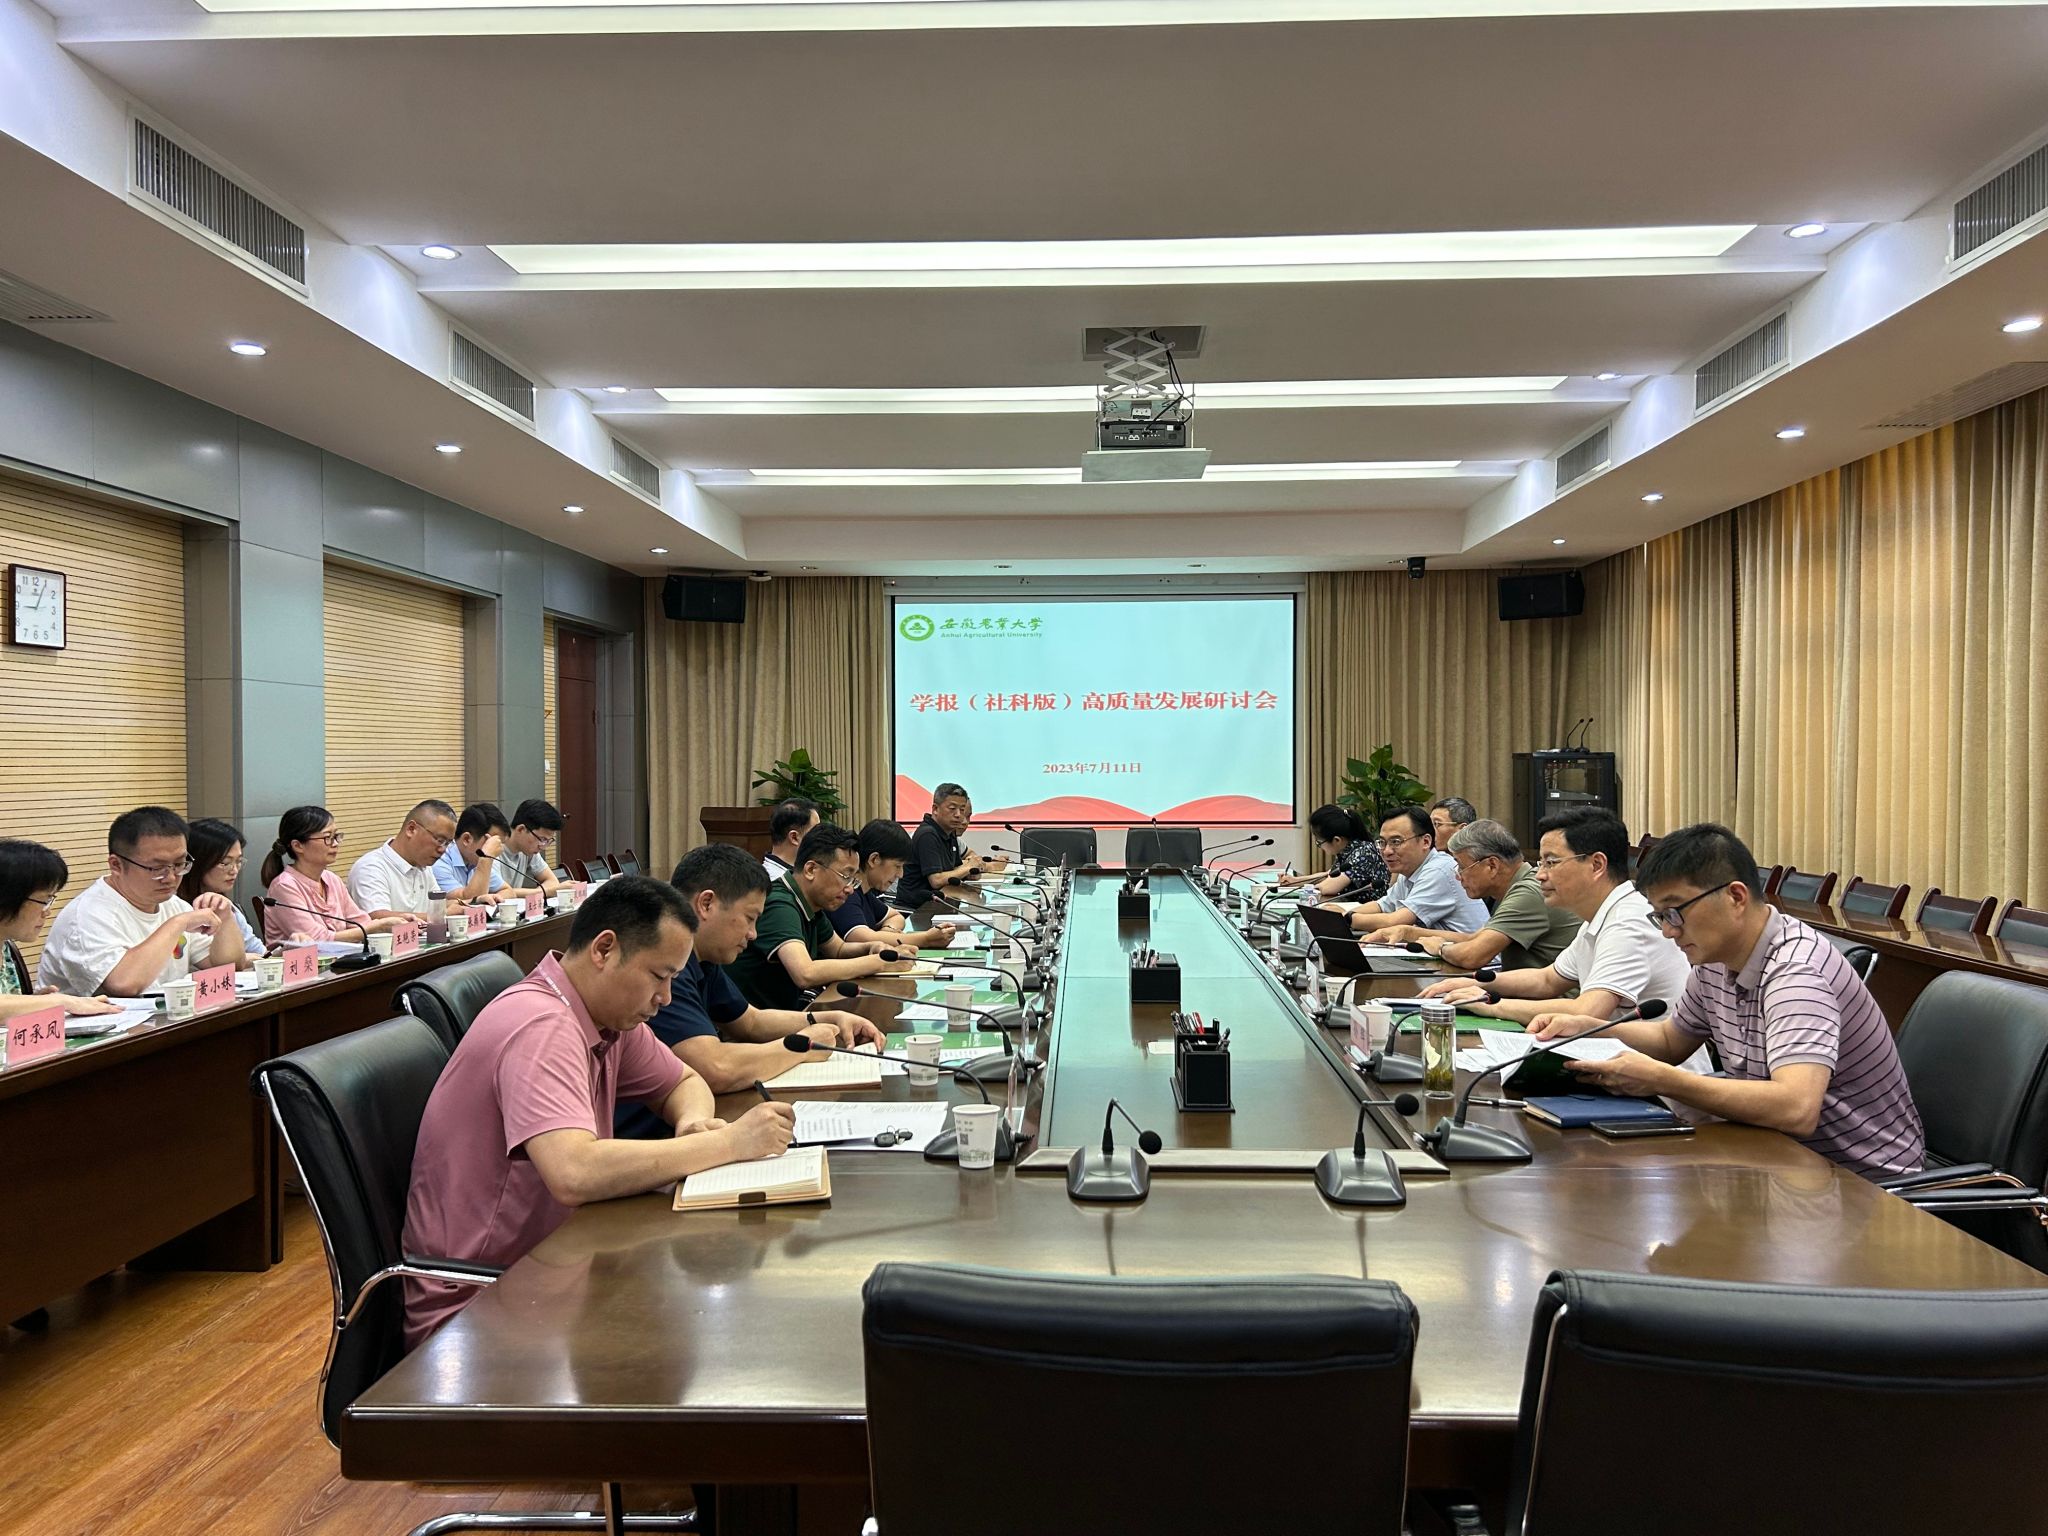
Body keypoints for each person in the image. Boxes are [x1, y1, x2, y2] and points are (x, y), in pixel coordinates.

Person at [400, 876, 797, 1347]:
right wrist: (725, 1143)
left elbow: (684, 1081)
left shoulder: (604, 1017)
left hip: (558, 1261)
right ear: (604, 950)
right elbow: (575, 1172)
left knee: (704, 1319)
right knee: (713, 1335)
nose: (666, 998)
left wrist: (692, 1122)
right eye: (659, 976)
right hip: (478, 1306)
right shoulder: (543, 1027)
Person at [1532, 823, 1925, 1180]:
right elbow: (1671, 1041)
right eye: (1660, 917)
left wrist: (1664, 1080)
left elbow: (1796, 1108)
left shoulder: (1796, 973)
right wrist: (1594, 1029)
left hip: (1860, 1182)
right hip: (1775, 1157)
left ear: (1736, 897)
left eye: (1674, 913)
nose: (1668, 932)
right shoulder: (1714, 960)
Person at [617, 846, 884, 1133]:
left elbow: (750, 1021)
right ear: (706, 904)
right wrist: (801, 1046)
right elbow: (715, 1067)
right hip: (645, 1139)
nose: (753, 934)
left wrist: (827, 1018)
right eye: (749, 918)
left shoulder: (704, 959)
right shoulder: (666, 969)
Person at [1418, 807, 1689, 1026]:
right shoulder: (1601, 914)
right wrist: (1473, 983)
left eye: (1551, 862)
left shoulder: (1628, 921)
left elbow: (1587, 1012)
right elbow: (1548, 980)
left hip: (1649, 1074)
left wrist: (1490, 1003)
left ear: (1597, 865)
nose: (1540, 874)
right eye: (1541, 863)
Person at [39, 806, 248, 996]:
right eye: (157, 868)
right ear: (116, 865)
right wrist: (177, 924)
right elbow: (124, 985)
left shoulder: (173, 904)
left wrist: (224, 918)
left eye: (179, 864)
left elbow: (227, 968)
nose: (171, 877)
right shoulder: (87, 915)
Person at [727, 824, 912, 1011]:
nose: (850, 888)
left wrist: (872, 948)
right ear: (810, 870)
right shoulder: (780, 904)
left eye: (853, 880)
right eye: (845, 876)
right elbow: (805, 973)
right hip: (753, 1021)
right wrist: (878, 963)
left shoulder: (811, 902)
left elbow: (838, 949)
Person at [1377, 818, 1580, 971]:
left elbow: (1472, 955)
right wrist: (1408, 932)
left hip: (1551, 1008)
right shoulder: (1518, 885)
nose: (1458, 876)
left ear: (1491, 865)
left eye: (1461, 866)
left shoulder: (1529, 892)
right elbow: (1474, 938)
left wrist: (1440, 948)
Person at [261, 805, 411, 945]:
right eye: (327, 837)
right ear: (298, 846)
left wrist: (395, 921)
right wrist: (377, 926)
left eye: (336, 836)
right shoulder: (284, 886)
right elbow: (317, 940)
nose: (335, 843)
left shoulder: (331, 879)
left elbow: (360, 922)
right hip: (301, 964)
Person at [0, 840, 117, 1019]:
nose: (47, 911)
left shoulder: (5, 946)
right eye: (44, 900)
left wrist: (34, 1003)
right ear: (8, 898)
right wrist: (61, 1001)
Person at [1347, 807, 1490, 937]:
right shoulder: (1410, 869)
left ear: (1426, 842)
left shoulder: (1439, 870)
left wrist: (1347, 919)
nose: (1387, 851)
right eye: (1382, 842)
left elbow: (1395, 921)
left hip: (1472, 955)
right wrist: (1342, 913)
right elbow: (1383, 906)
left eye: (1396, 842)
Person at [831, 818, 953, 950]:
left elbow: (896, 916)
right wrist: (925, 939)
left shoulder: (865, 892)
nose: (900, 874)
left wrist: (888, 931)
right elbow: (860, 937)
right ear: (874, 859)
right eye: (897, 866)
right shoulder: (847, 893)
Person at [899, 783, 1005, 910]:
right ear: (935, 809)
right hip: (917, 909)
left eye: (962, 809)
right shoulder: (927, 834)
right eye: (952, 808)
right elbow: (936, 880)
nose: (958, 815)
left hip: (942, 903)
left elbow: (954, 869)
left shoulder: (949, 833)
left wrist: (970, 872)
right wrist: (968, 867)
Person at [348, 800, 457, 920]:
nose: (442, 850)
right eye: (440, 840)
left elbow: (437, 906)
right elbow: (377, 917)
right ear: (411, 829)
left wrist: (464, 904)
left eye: (448, 843)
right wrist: (442, 915)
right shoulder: (370, 867)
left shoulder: (423, 866)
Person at [180, 818, 263, 960]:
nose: (234, 870)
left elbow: (261, 953)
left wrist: (284, 950)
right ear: (197, 862)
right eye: (225, 863)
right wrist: (247, 959)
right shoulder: (178, 908)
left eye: (239, 861)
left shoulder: (227, 907)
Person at [1277, 804, 1389, 903]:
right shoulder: (1349, 850)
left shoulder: (1364, 853)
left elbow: (1328, 887)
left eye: (1319, 842)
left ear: (1337, 840)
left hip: (1369, 914)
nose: (1319, 846)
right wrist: (1294, 881)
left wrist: (1304, 890)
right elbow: (1328, 875)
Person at [433, 802, 513, 904]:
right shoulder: (439, 860)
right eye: (490, 843)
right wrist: (486, 857)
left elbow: (508, 891)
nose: (496, 850)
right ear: (467, 839)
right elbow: (471, 901)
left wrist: (494, 898)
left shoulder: (474, 861)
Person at [499, 799, 564, 896]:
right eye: (541, 839)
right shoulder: (493, 850)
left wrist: (538, 893)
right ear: (521, 829)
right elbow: (496, 894)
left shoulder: (528, 851)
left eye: (547, 841)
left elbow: (552, 881)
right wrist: (544, 892)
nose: (543, 847)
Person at [761, 799, 820, 880]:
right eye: (816, 831)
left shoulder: (799, 872)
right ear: (794, 837)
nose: (821, 837)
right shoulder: (774, 882)